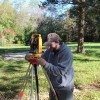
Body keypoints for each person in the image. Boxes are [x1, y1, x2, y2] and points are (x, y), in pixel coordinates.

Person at [38, 33, 74, 100]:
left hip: (65, 87)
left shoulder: (66, 52)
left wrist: (45, 64)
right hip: (53, 85)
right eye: (47, 44)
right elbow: (41, 58)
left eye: (50, 44)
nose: (48, 47)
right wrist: (32, 57)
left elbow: (61, 71)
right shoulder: (51, 50)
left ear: (57, 42)